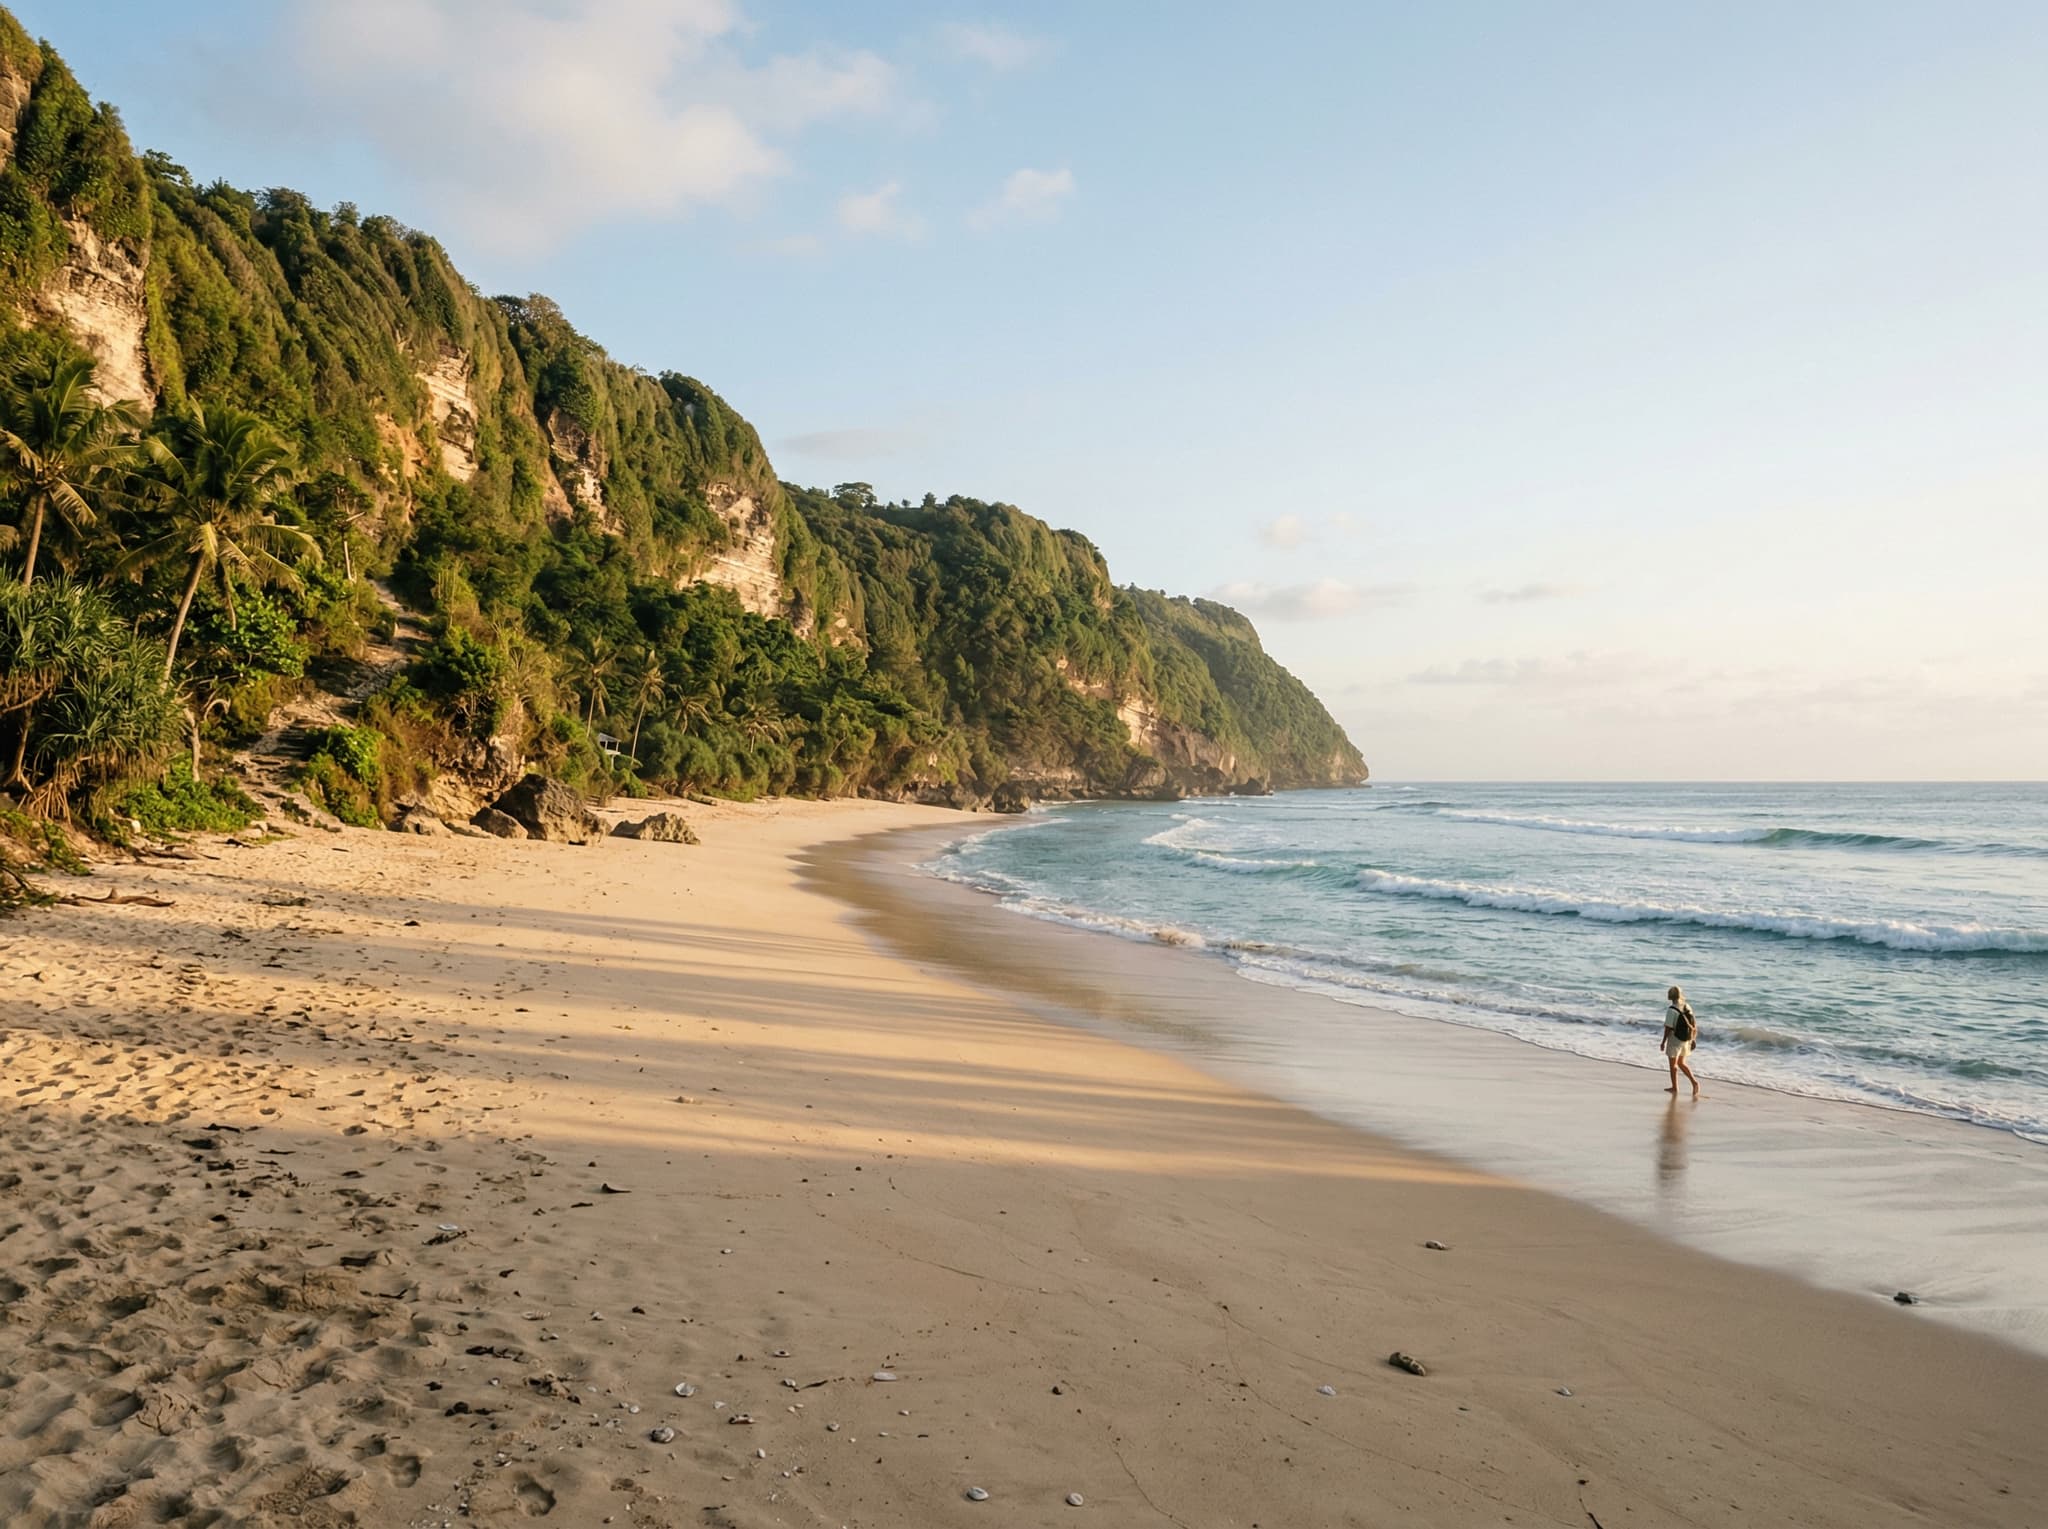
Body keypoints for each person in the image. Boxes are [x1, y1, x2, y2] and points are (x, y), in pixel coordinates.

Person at [1662, 984, 1700, 1097]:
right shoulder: (1687, 1006)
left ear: (1670, 996)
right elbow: (1693, 1023)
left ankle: (1674, 1087)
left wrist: (1663, 1042)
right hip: (1686, 1038)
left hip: (1675, 1039)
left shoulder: (1671, 1010)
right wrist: (1693, 1038)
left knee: (1673, 1065)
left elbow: (1668, 1028)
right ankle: (1694, 1082)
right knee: (1682, 1063)